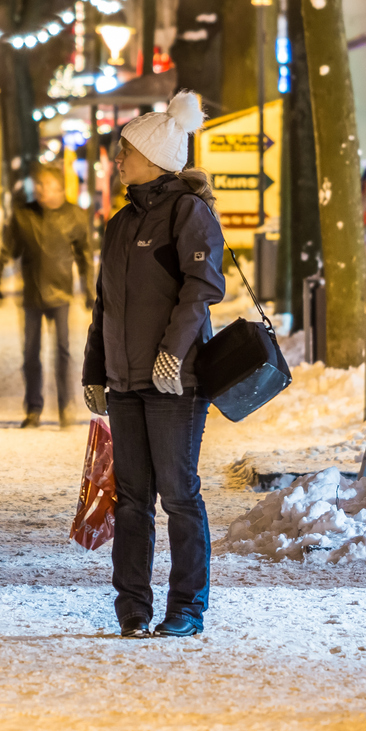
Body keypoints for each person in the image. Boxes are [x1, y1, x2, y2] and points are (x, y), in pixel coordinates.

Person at [81, 91, 225, 639]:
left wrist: (173, 351)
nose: (118, 161)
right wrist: (95, 370)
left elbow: (202, 287)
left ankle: (187, 607)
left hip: (174, 384)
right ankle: (132, 608)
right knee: (133, 500)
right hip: (125, 383)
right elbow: (105, 304)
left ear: (157, 159)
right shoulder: (120, 223)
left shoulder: (188, 212)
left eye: (128, 153)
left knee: (179, 495)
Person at [0, 165, 93, 428]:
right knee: (30, 354)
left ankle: (66, 407)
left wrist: (89, 291)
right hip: (32, 295)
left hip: (61, 295)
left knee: (63, 352)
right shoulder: (23, 214)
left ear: (59, 188)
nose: (39, 190)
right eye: (37, 184)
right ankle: (33, 409)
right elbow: (7, 249)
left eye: (44, 185)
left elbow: (84, 255)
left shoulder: (74, 215)